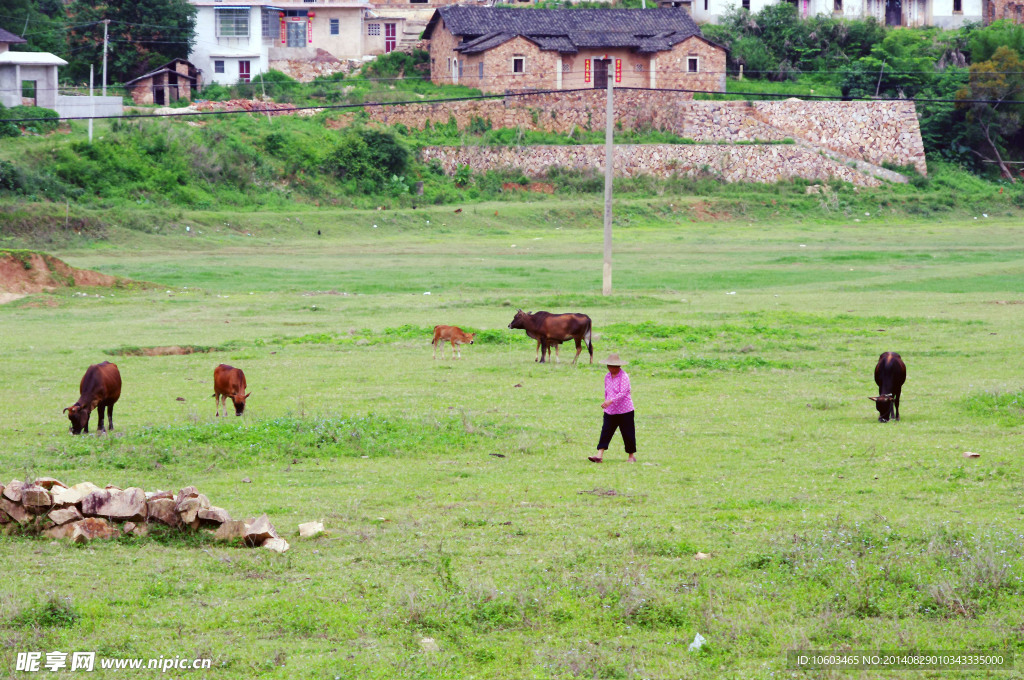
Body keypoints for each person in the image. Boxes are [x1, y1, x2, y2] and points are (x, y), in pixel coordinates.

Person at [589, 353, 636, 463]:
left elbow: (624, 392)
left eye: (613, 366)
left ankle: (631, 456)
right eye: (609, 366)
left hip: (625, 410)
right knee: (605, 431)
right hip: (610, 411)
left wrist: (610, 401)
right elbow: (607, 391)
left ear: (618, 366)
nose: (611, 368)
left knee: (628, 433)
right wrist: (606, 403)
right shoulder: (607, 376)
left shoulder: (624, 376)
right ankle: (599, 455)